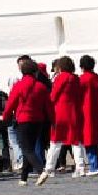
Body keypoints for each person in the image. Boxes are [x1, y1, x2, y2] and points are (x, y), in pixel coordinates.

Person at [2, 57, 52, 185]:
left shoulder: (18, 85)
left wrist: (5, 116)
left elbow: (11, 104)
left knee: (26, 149)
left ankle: (41, 171)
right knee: (29, 148)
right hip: (38, 121)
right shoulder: (41, 86)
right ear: (35, 72)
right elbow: (48, 106)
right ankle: (23, 178)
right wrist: (53, 120)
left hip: (23, 120)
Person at [36, 57, 82, 185]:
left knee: (55, 142)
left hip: (60, 112)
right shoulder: (75, 78)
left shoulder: (60, 78)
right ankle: (80, 167)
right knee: (75, 141)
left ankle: (50, 168)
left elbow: (54, 95)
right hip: (73, 111)